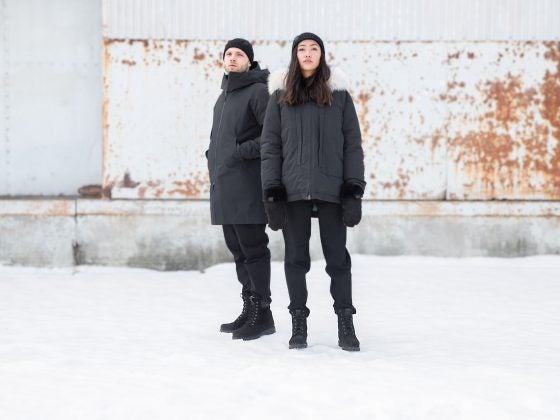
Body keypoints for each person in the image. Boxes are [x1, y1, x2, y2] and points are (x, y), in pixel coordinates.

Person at [261, 32, 365, 351]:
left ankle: (345, 323)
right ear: (295, 55)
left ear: (321, 54)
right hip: (292, 190)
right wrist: (272, 190)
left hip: (331, 188)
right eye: (302, 49)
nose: (308, 53)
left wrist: (353, 189)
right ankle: (298, 324)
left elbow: (352, 144)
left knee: (337, 259)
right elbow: (271, 145)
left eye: (314, 48)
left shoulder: (339, 95)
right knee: (295, 258)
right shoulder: (280, 96)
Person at [206, 38, 275, 340]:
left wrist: (239, 152)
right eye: (228, 54)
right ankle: (250, 309)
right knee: (238, 251)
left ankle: (263, 312)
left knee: (253, 250)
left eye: (239, 54)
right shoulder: (223, 97)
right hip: (225, 185)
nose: (232, 58)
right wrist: (212, 157)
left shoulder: (258, 91)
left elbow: (273, 135)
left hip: (247, 185)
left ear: (249, 61)